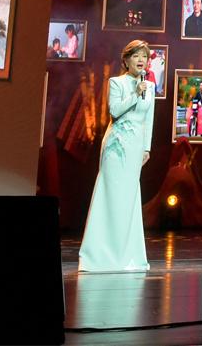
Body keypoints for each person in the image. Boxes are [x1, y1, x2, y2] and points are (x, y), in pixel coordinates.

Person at [78, 40, 155, 273]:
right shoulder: (116, 82)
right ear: (126, 60)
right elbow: (115, 111)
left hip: (135, 148)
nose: (141, 60)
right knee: (111, 197)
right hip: (116, 146)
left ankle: (127, 254)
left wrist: (147, 148)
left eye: (144, 56)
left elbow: (148, 119)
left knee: (129, 199)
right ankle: (99, 255)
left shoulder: (150, 86)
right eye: (136, 56)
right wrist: (135, 94)